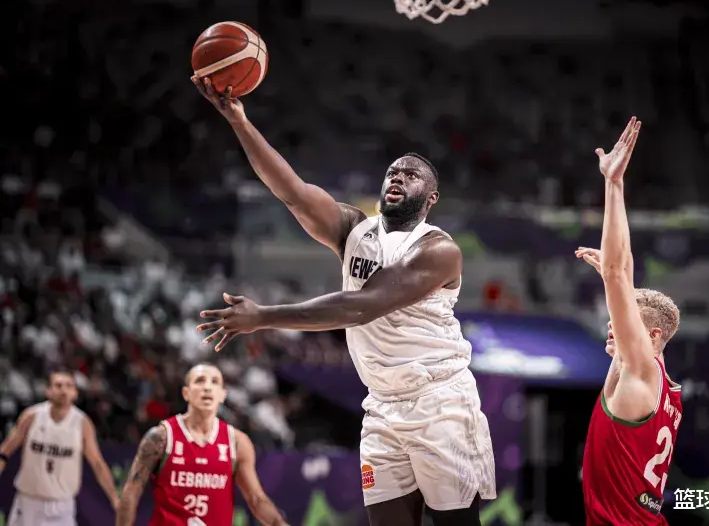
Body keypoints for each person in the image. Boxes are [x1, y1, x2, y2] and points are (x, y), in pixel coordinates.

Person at [192, 77, 495, 526]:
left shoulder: (439, 250)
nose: (397, 177)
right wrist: (239, 121)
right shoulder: (355, 229)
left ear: (430, 199)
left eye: (411, 175)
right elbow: (291, 191)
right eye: (392, 171)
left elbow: (362, 305)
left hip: (440, 402)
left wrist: (263, 316)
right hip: (382, 406)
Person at [575, 117, 683, 525]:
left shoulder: (642, 369)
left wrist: (613, 183)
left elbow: (618, 272)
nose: (613, 324)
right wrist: (618, 280)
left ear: (652, 335)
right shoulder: (661, 387)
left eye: (624, 322)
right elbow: (623, 276)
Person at [116, 364, 286, 526]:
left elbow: (256, 499)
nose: (207, 387)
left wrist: (280, 523)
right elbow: (131, 492)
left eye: (214, 382)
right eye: (200, 381)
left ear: (222, 395)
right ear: (186, 393)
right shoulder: (161, 437)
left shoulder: (237, 442)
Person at [0, 368, 119, 526]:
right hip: (28, 502)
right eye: (58, 385)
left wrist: (114, 498)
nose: (63, 390)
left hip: (62, 506)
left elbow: (97, 464)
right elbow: (5, 452)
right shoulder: (31, 416)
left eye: (69, 386)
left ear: (75, 393)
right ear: (48, 391)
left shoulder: (82, 423)